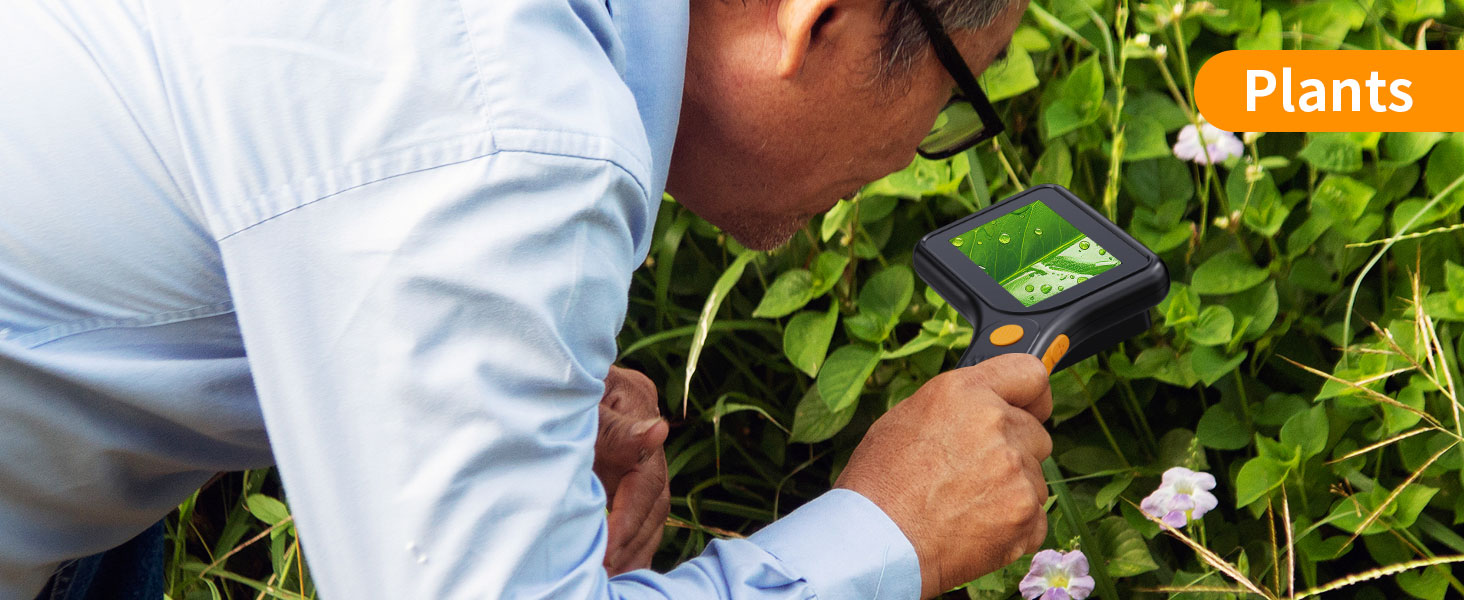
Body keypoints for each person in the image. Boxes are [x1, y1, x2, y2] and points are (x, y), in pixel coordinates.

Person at [0, 0, 1054, 597]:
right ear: (817, 17)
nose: (916, 151)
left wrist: (510, 417)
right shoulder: (507, 133)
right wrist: (886, 533)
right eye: (956, 93)